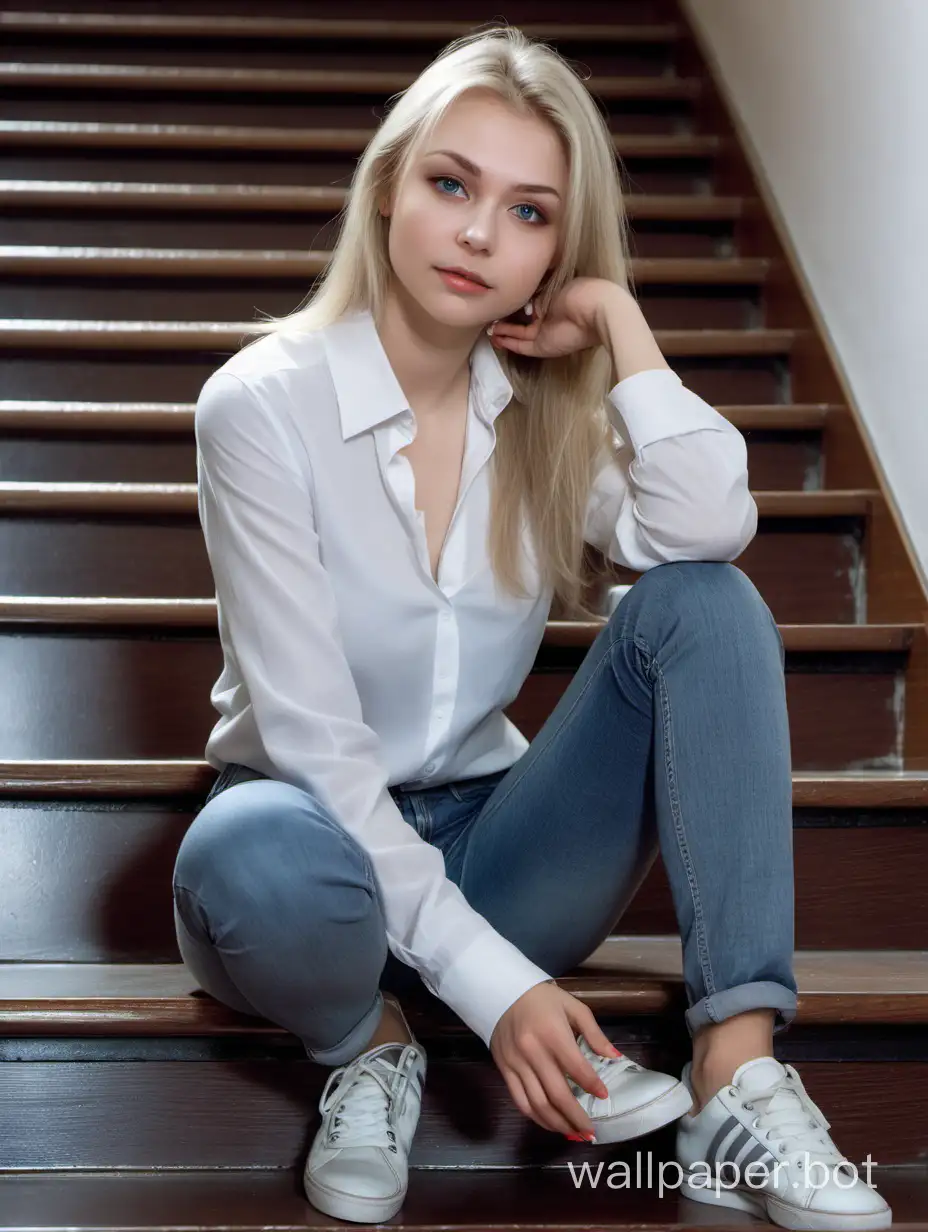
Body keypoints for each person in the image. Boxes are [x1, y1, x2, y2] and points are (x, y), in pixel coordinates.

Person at [171, 24, 890, 1231]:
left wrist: (616, 324)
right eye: (452, 184)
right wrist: (501, 993)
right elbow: (313, 742)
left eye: (529, 213)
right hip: (309, 856)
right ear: (392, 181)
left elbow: (708, 527)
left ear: (559, 246)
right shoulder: (261, 405)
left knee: (703, 605)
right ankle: (369, 1043)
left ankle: (737, 1069)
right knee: (249, 843)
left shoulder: (545, 418)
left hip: (497, 845)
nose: (477, 235)